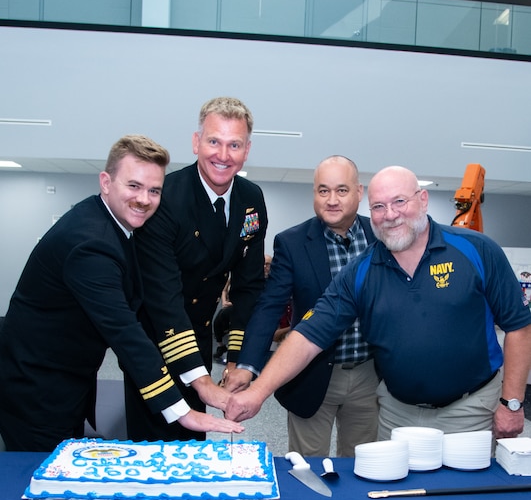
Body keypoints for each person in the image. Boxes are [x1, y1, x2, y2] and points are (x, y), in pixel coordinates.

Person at [225, 165, 531, 442]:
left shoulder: (476, 250)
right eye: (379, 207)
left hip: (471, 409)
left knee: (468, 498)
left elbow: (519, 327)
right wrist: (257, 393)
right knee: (394, 498)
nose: (390, 214)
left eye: (400, 201)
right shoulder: (361, 270)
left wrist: (512, 402)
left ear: (422, 200)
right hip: (398, 413)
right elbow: (307, 337)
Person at [0, 135, 243, 452]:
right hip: (33, 386)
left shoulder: (117, 226)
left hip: (64, 377)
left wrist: (198, 383)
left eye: (154, 190)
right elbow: (124, 331)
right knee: (45, 483)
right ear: (106, 182)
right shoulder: (91, 245)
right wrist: (182, 411)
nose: (144, 199)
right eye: (133, 186)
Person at [124, 96, 268, 442]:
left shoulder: (251, 198)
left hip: (200, 338)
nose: (223, 154)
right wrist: (202, 382)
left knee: (192, 446)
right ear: (195, 142)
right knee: (154, 449)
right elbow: (163, 299)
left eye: (234, 144)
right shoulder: (167, 197)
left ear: (247, 150)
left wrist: (236, 360)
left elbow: (248, 288)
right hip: (156, 343)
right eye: (214, 141)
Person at [224, 156, 378, 457]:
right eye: (323, 191)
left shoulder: (380, 238)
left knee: (364, 465)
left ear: (359, 192)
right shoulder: (292, 243)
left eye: (342, 190)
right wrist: (247, 365)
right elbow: (270, 307)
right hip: (310, 374)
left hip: (369, 376)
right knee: (308, 467)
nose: (331, 200)